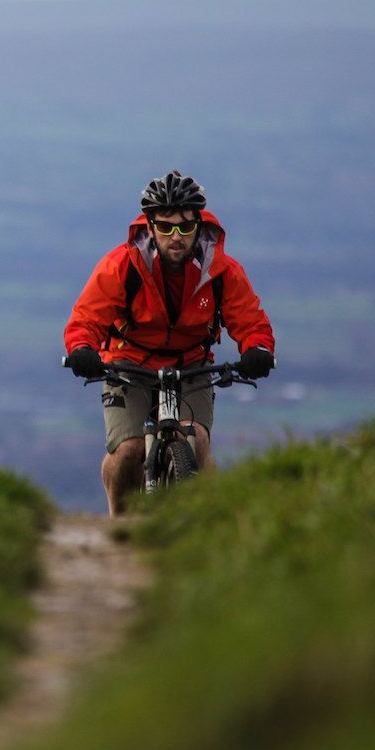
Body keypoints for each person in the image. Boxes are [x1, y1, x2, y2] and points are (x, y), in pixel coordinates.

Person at [63, 171, 276, 515]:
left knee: (197, 441)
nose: (175, 236)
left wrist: (258, 350)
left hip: (192, 363)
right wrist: (81, 349)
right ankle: (119, 520)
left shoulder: (220, 271)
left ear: (198, 225)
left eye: (185, 227)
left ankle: (206, 523)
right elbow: (86, 317)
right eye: (165, 227)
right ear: (149, 227)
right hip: (128, 362)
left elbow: (250, 319)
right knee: (130, 450)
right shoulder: (121, 266)